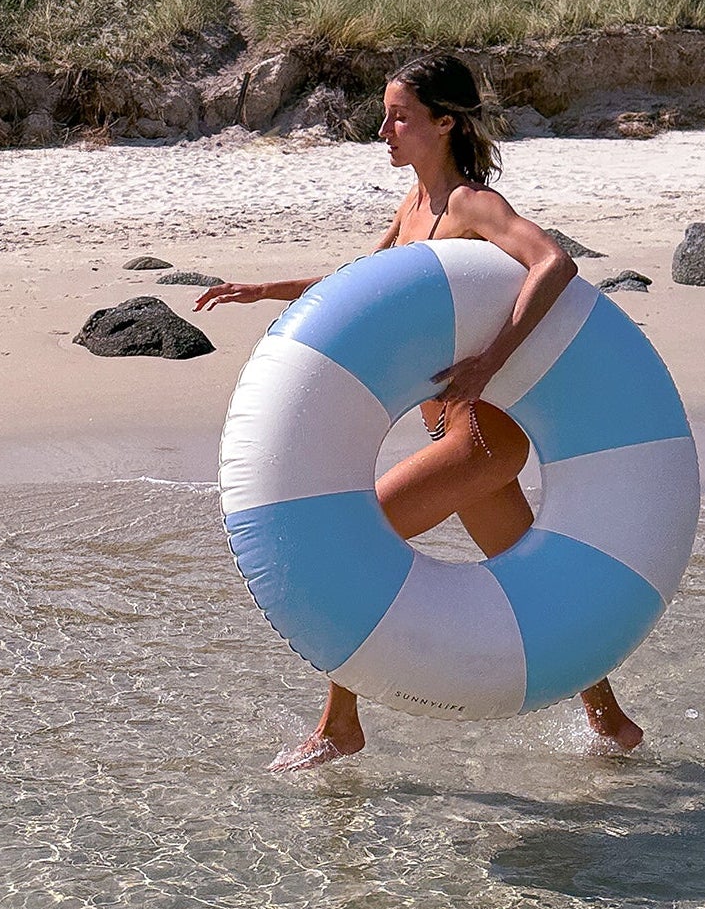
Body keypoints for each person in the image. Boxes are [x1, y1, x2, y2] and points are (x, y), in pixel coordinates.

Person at [196, 53, 645, 771]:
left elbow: (552, 263)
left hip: (483, 438)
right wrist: (263, 290)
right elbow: (353, 289)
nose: (385, 130)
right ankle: (613, 726)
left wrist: (490, 361)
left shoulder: (470, 205)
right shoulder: (411, 210)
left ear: (443, 122)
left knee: (353, 544)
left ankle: (339, 727)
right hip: (453, 434)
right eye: (386, 115)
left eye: (399, 116)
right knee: (539, 580)